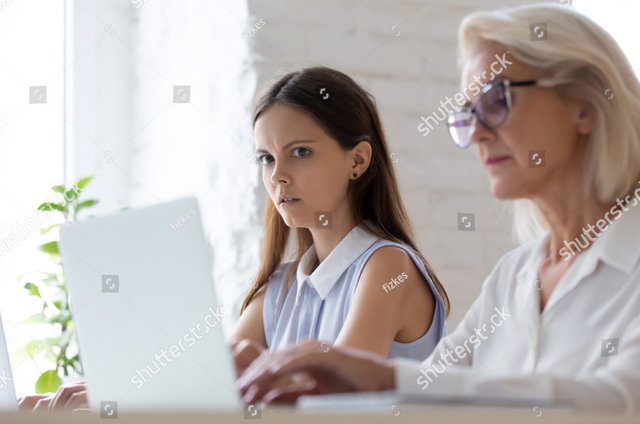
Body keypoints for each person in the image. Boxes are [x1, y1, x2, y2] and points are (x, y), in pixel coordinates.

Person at [237, 4, 640, 413]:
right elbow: (430, 389)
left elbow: (622, 399)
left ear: (585, 104)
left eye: (495, 100)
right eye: (468, 113)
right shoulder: (512, 277)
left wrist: (377, 376)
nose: (477, 132)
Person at [19, 66, 451, 411]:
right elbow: (209, 382)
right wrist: (108, 390)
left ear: (357, 160)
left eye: (300, 152)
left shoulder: (386, 266)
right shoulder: (280, 288)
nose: (278, 176)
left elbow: (333, 398)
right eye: (266, 158)